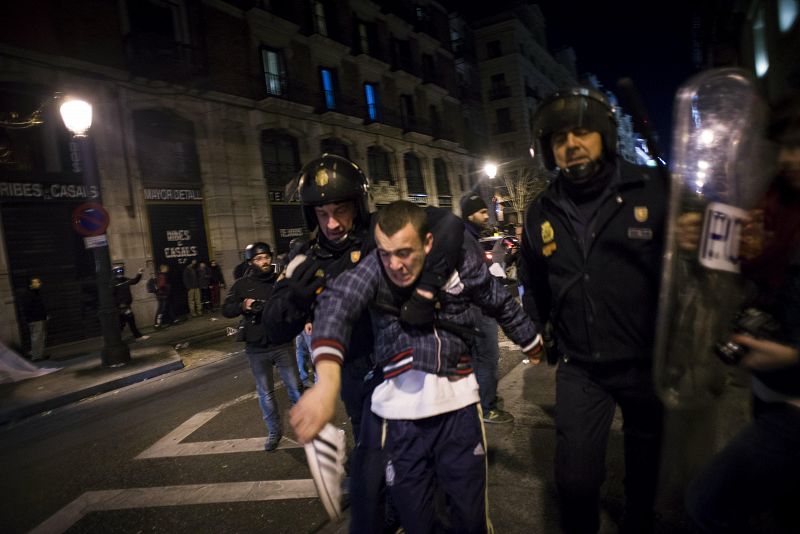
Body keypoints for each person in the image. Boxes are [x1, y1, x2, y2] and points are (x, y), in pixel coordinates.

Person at [291, 200, 543, 532]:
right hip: (400, 420)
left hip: (459, 411)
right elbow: (338, 303)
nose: (394, 264)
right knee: (417, 521)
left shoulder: (460, 265)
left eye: (405, 252)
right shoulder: (376, 267)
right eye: (385, 253)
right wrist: (325, 383)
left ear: (427, 243)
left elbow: (497, 299)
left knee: (470, 519)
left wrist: (531, 340)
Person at [263, 154, 463, 532]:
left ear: (359, 205)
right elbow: (271, 328)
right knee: (372, 472)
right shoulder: (303, 257)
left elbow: (450, 225)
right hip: (358, 377)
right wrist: (295, 298)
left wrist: (425, 290)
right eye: (322, 214)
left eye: (341, 210)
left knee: (425, 469)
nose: (333, 223)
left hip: (409, 366)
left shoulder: (381, 231)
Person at [519, 86, 666, 534]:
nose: (571, 144)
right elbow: (534, 280)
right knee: (575, 480)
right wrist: (539, 327)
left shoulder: (653, 189)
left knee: (647, 476)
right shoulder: (540, 210)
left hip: (647, 363)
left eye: (581, 131)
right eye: (560, 138)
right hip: (581, 367)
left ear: (603, 134)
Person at [685, 93, 800, 534]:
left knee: (706, 503)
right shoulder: (773, 202)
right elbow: (733, 280)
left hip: (795, 404)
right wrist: (699, 243)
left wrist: (793, 357)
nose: (788, 157)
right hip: (768, 392)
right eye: (783, 145)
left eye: (799, 145)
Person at [222, 241, 303, 451]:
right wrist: (243, 305)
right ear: (250, 261)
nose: (264, 261)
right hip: (256, 347)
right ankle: (274, 431)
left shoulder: (280, 280)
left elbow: (296, 303)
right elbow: (226, 309)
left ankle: (307, 427)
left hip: (282, 342)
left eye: (266, 257)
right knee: (265, 393)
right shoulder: (241, 285)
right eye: (259, 258)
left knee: (295, 388)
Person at [461, 192, 513, 424]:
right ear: (470, 214)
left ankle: (480, 400)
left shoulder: (467, 237)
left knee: (477, 359)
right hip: (479, 310)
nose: (486, 216)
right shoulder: (466, 239)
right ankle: (487, 406)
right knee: (488, 358)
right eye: (482, 212)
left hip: (473, 310)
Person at [111, 265, 149, 341]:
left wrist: (139, 274)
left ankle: (115, 339)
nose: (120, 272)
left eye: (121, 270)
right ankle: (137, 337)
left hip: (125, 305)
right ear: (114, 272)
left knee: (122, 323)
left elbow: (134, 281)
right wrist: (118, 304)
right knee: (130, 320)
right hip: (121, 306)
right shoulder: (113, 283)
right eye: (118, 271)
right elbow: (112, 295)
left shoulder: (125, 280)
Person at [19, 276, 48, 361]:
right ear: (31, 285)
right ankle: (36, 357)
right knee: (36, 338)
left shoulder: (34, 293)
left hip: (38, 318)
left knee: (39, 338)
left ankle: (39, 355)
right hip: (35, 319)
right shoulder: (29, 294)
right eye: (36, 283)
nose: (38, 284)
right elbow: (31, 308)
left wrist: (44, 316)